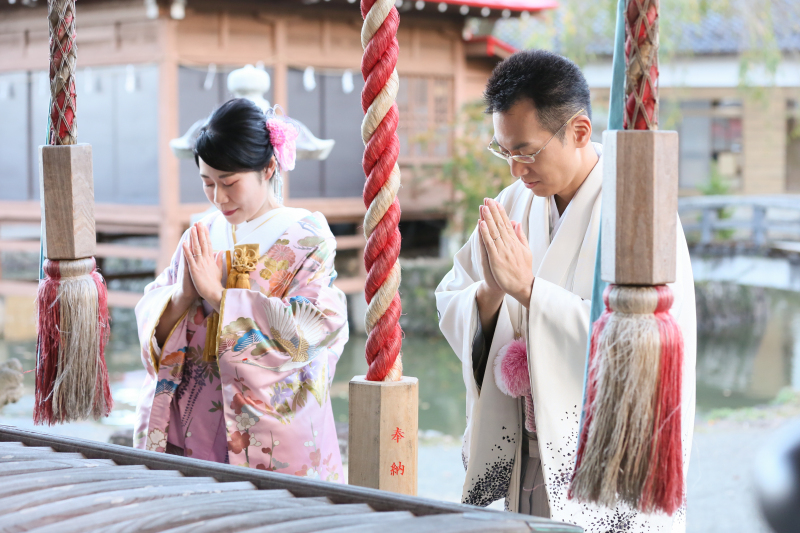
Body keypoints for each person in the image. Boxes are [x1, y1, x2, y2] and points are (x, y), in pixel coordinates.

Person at [435, 50, 696, 530]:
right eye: (504, 151)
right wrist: (491, 294)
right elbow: (453, 294)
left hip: (602, 457)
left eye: (527, 151)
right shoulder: (514, 203)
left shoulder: (638, 211)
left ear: (578, 131)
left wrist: (531, 290)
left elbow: (646, 346)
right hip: (524, 448)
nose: (516, 169)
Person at [134, 98, 347, 482]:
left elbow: (314, 330)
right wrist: (182, 296)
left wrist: (219, 297)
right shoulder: (201, 233)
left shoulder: (306, 236)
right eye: (207, 182)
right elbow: (154, 319)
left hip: (270, 431)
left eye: (229, 182)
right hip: (193, 419)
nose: (218, 198)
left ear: (268, 168)